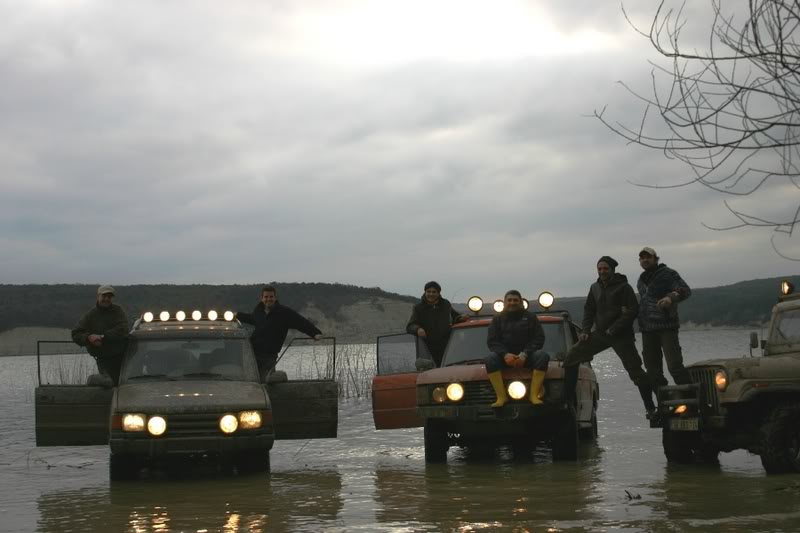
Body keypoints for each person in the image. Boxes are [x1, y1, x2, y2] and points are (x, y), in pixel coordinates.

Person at [561, 257, 657, 416]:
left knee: (636, 372)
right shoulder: (594, 287)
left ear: (612, 269)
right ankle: (566, 400)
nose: (602, 271)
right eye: (599, 269)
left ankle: (650, 407)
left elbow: (633, 310)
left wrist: (615, 328)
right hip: (600, 334)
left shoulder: (624, 287)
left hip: (621, 336)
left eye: (605, 268)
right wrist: (585, 331)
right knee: (572, 356)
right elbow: (589, 310)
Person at [236, 285, 323, 382]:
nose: (268, 299)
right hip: (252, 353)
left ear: (275, 298)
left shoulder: (284, 313)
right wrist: (236, 315)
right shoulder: (258, 311)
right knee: (250, 380)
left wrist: (315, 333)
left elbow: (301, 322)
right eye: (266, 297)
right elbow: (251, 318)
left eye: (271, 297)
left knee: (267, 381)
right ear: (262, 298)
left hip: (269, 356)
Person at [637, 247, 692, 387]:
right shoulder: (641, 280)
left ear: (656, 259)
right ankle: (666, 404)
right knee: (653, 372)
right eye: (642, 258)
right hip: (647, 330)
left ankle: (694, 401)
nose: (645, 260)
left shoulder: (668, 273)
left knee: (675, 367)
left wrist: (670, 298)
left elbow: (685, 290)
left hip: (666, 327)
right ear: (639, 261)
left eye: (648, 257)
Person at [485, 290, 549, 407]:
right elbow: (492, 341)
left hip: (528, 357)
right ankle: (501, 397)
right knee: (490, 359)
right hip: (503, 358)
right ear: (504, 302)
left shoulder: (531, 317)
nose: (512, 303)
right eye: (509, 300)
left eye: (515, 300)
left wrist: (524, 354)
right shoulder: (497, 319)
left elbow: (538, 339)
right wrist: (505, 354)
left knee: (543, 356)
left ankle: (533, 395)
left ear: (521, 302)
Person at [71, 285, 129, 386]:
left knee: (125, 385)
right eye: (104, 296)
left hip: (122, 357)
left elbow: (123, 329)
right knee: (108, 384)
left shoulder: (118, 311)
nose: (106, 299)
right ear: (98, 296)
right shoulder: (90, 315)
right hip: (103, 359)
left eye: (109, 296)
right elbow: (76, 333)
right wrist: (89, 338)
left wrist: (102, 336)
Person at [406, 281, 468, 367]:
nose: (431, 294)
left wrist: (461, 318)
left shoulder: (446, 304)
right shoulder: (418, 308)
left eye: (434, 292)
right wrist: (418, 329)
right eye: (428, 291)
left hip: (448, 345)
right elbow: (410, 326)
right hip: (429, 347)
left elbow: (455, 318)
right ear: (425, 292)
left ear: (438, 293)